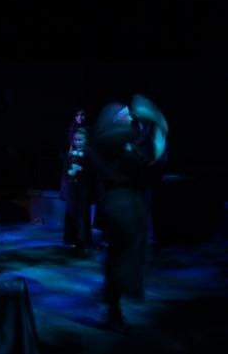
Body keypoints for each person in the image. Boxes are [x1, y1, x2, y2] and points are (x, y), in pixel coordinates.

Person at [90, 94, 168, 331]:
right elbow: (133, 161)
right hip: (119, 205)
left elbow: (148, 168)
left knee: (120, 256)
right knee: (120, 258)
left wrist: (156, 136)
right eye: (123, 114)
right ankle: (112, 309)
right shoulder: (110, 142)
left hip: (127, 204)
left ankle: (112, 304)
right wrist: (152, 124)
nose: (130, 117)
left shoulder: (124, 144)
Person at [62, 127, 94, 254]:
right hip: (72, 187)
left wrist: (82, 169)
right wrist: (68, 173)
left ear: (86, 140)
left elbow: (94, 170)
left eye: (80, 140)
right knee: (71, 212)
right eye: (75, 140)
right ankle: (72, 239)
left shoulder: (89, 152)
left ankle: (83, 240)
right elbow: (65, 168)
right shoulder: (71, 152)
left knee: (82, 213)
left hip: (83, 187)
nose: (77, 142)